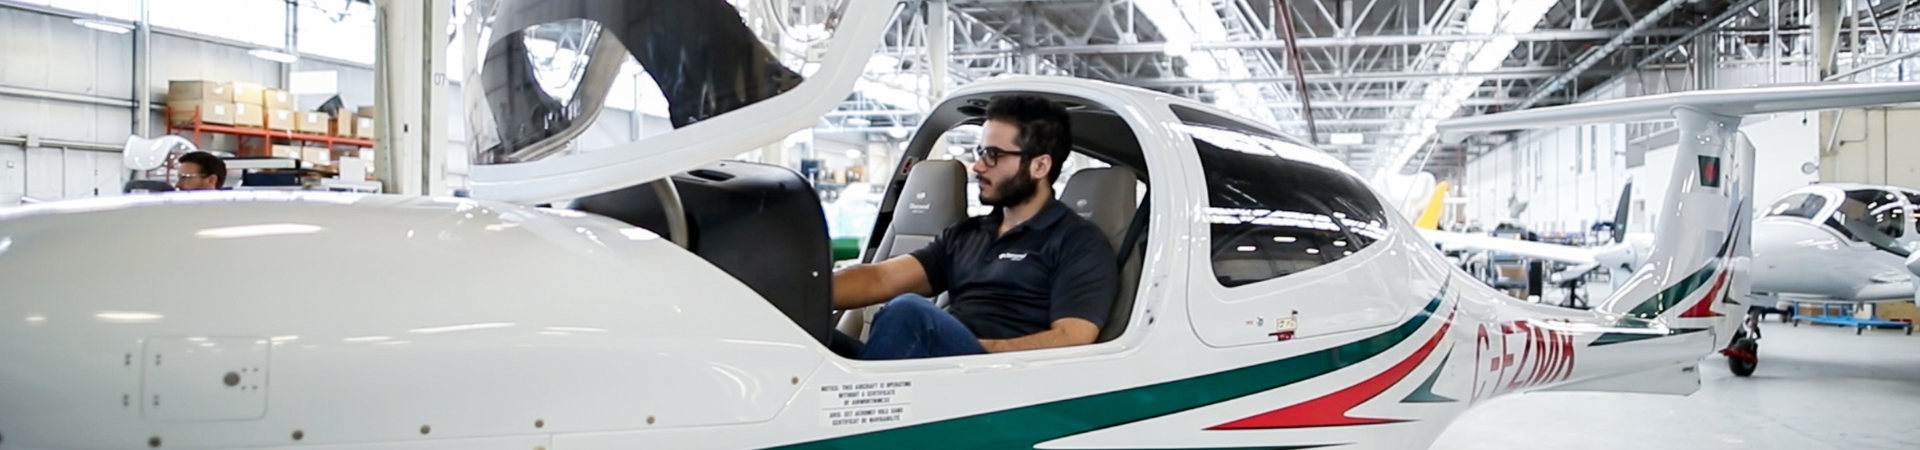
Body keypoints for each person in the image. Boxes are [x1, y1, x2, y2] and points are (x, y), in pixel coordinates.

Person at [831, 94, 1119, 360]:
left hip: (992, 376)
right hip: (940, 365)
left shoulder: (1078, 242)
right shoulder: (966, 234)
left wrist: (963, 348)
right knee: (814, 334)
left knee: (907, 311)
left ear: (1039, 166)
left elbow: (1073, 338)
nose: (978, 166)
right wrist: (809, 291)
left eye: (993, 155)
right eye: (980, 152)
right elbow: (880, 279)